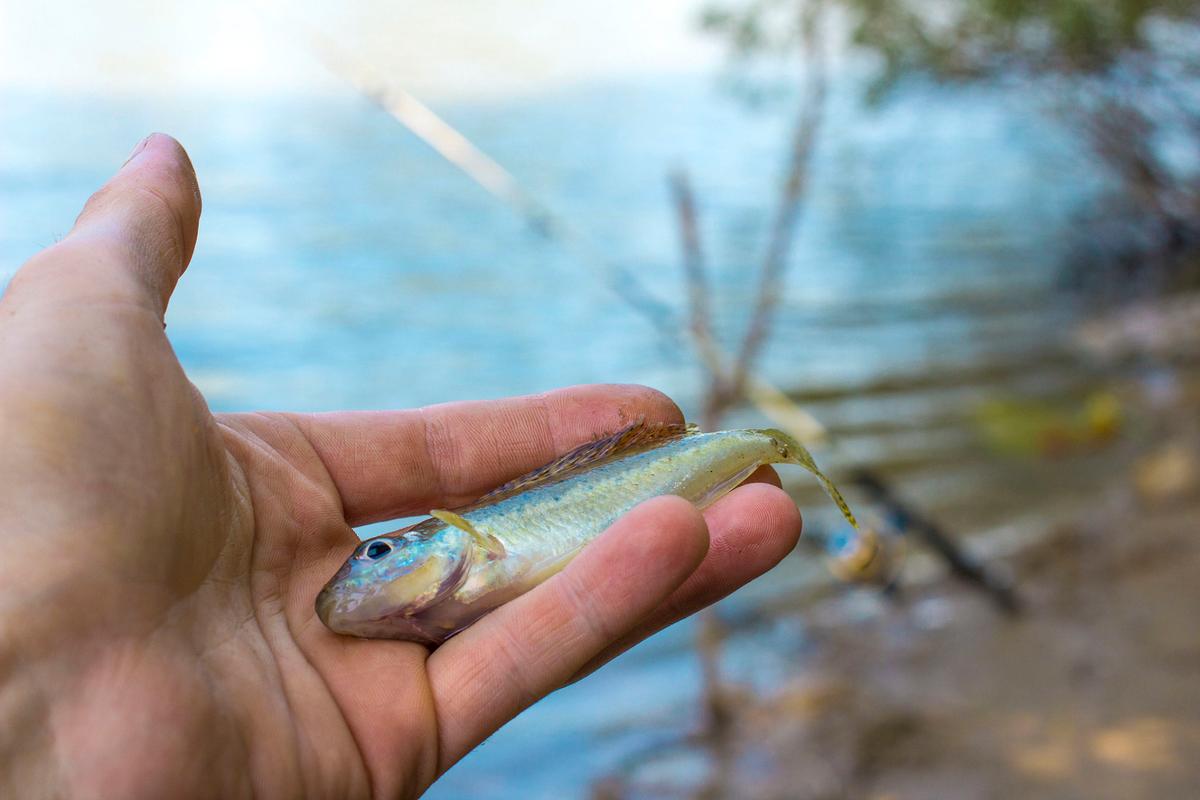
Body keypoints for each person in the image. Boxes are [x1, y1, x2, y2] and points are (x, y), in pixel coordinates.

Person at [0, 134, 803, 798]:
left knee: (683, 525)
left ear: (442, 537)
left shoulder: (465, 558)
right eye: (378, 550)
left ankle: (755, 453)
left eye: (381, 549)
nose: (373, 559)